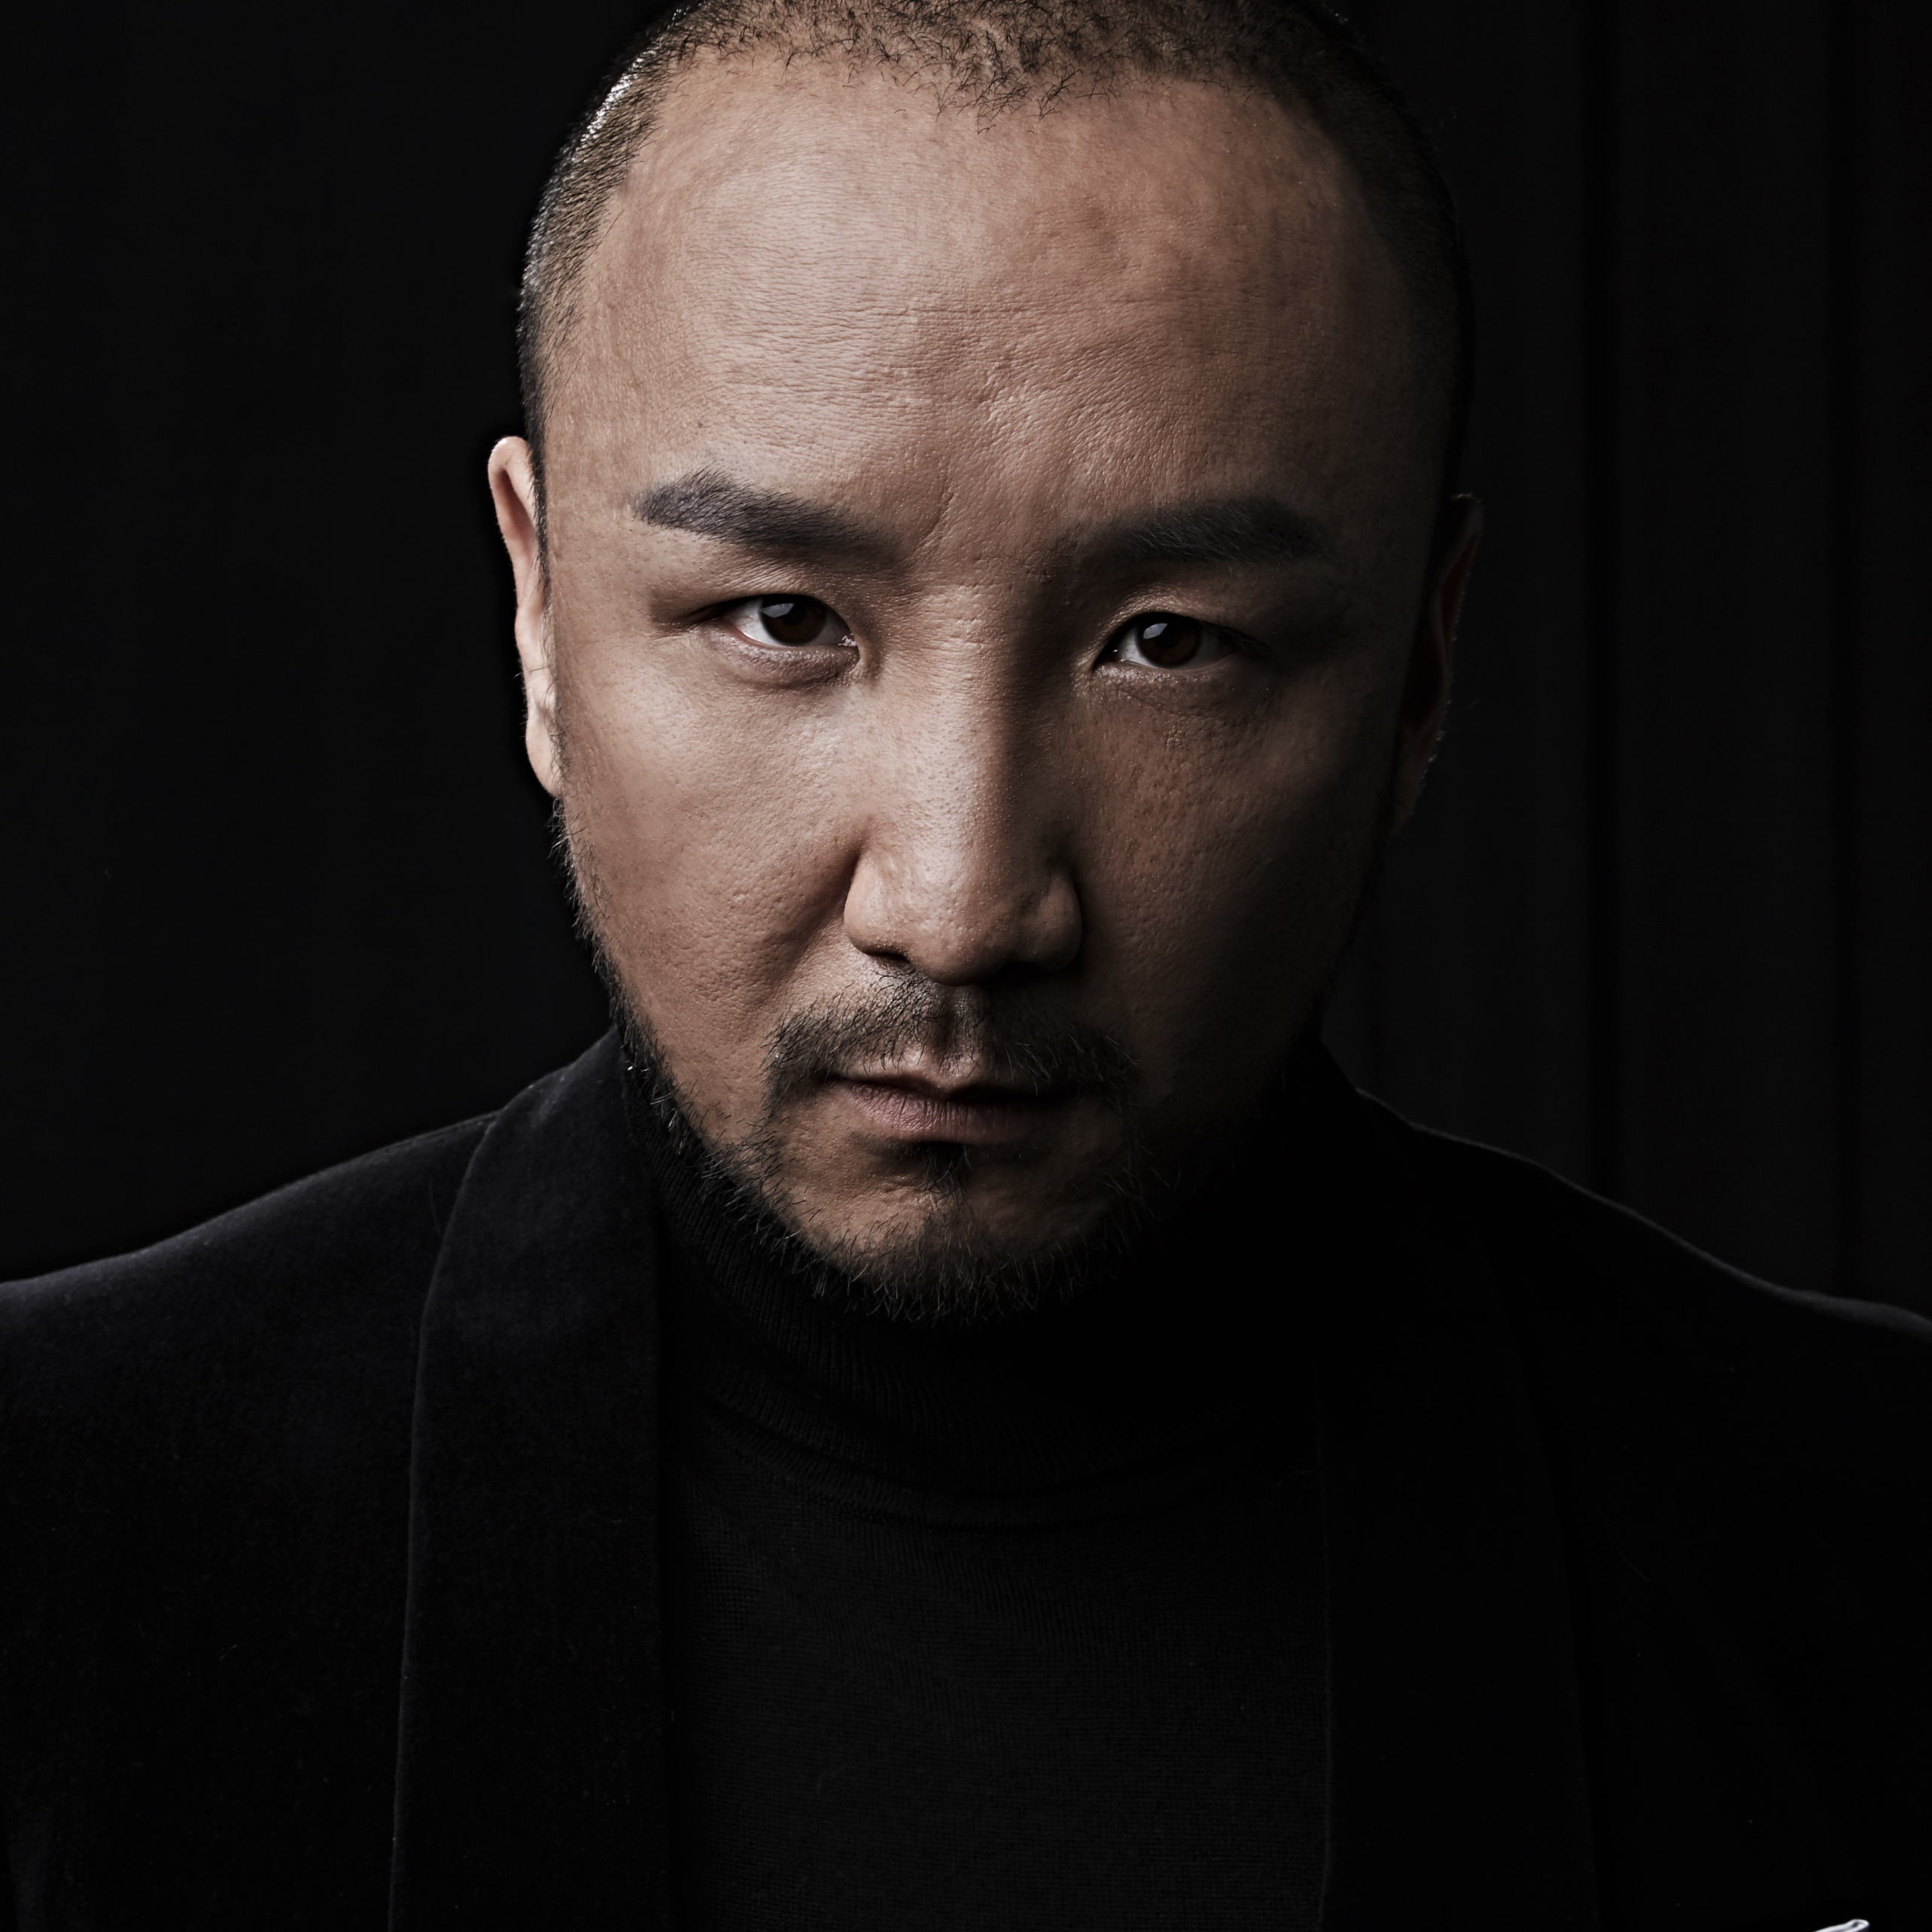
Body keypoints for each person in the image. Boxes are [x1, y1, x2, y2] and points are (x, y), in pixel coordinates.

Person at [2, 3, 1926, 1928]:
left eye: (1169, 643)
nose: (963, 904)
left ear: (1421, 669)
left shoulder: (1868, 1538)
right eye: (782, 620)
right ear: (540, 610)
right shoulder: (58, 1524)